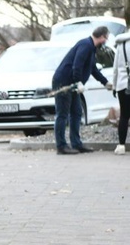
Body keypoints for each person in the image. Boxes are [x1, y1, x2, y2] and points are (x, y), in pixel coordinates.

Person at [52, 26, 114, 155]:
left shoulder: (91, 48)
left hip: (72, 83)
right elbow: (77, 65)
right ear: (101, 36)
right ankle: (61, 146)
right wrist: (78, 82)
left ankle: (76, 144)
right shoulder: (86, 45)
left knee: (76, 112)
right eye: (106, 38)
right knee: (62, 114)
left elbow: (93, 69)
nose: (106, 41)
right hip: (64, 82)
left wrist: (106, 82)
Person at [112, 30, 130, 155]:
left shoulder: (121, 43)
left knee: (124, 115)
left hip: (123, 84)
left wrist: (114, 85)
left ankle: (121, 146)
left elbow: (115, 68)